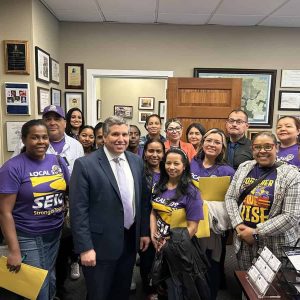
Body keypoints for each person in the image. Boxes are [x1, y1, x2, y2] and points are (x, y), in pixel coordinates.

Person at [69, 116, 150, 300]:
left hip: (129, 241)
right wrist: (85, 247)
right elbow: (78, 210)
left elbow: (142, 200)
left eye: (125, 134)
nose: (121, 139)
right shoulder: (85, 165)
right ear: (104, 137)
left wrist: (143, 232)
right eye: (115, 134)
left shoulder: (136, 161)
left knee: (121, 292)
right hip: (99, 246)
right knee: (99, 294)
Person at [0, 119, 69, 300]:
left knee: (50, 276)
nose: (41, 142)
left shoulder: (58, 161)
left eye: (44, 137)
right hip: (28, 235)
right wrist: (14, 250)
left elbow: (71, 191)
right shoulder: (12, 167)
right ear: (24, 140)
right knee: (39, 288)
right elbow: (4, 212)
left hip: (55, 232)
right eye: (35, 137)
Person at [225, 132, 300, 270]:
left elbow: (291, 216)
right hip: (244, 242)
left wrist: (255, 232)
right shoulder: (244, 168)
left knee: (275, 288)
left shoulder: (292, 175)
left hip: (275, 245)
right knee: (246, 281)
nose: (262, 151)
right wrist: (238, 225)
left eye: (267, 147)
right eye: (257, 147)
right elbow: (230, 198)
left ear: (276, 147)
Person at [150, 148, 204, 299]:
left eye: (176, 163)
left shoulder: (191, 192)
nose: (171, 167)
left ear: (184, 166)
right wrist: (154, 234)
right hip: (159, 244)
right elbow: (153, 211)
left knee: (178, 287)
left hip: (179, 248)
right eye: (168, 163)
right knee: (162, 285)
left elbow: (193, 227)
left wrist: (170, 245)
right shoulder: (158, 185)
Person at [190, 128, 235, 300]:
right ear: (202, 143)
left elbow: (231, 200)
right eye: (209, 140)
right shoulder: (191, 164)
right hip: (192, 223)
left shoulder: (228, 171)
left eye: (217, 142)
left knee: (212, 264)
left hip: (214, 228)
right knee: (192, 262)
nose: (212, 144)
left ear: (222, 148)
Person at [140, 138, 165, 299]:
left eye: (158, 151)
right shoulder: (139, 173)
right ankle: (150, 291)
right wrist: (144, 232)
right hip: (145, 224)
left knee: (165, 259)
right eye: (151, 151)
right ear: (145, 153)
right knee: (147, 260)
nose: (154, 155)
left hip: (167, 224)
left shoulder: (169, 172)